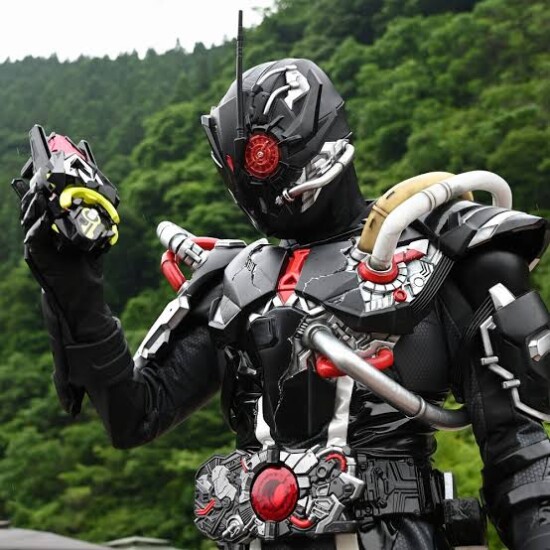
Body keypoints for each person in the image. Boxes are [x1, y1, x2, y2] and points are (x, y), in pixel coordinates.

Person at [16, 56, 550, 550]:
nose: (253, 180)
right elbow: (133, 413)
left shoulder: (442, 248)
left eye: (262, 157)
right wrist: (72, 280)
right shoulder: (239, 279)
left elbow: (523, 453)